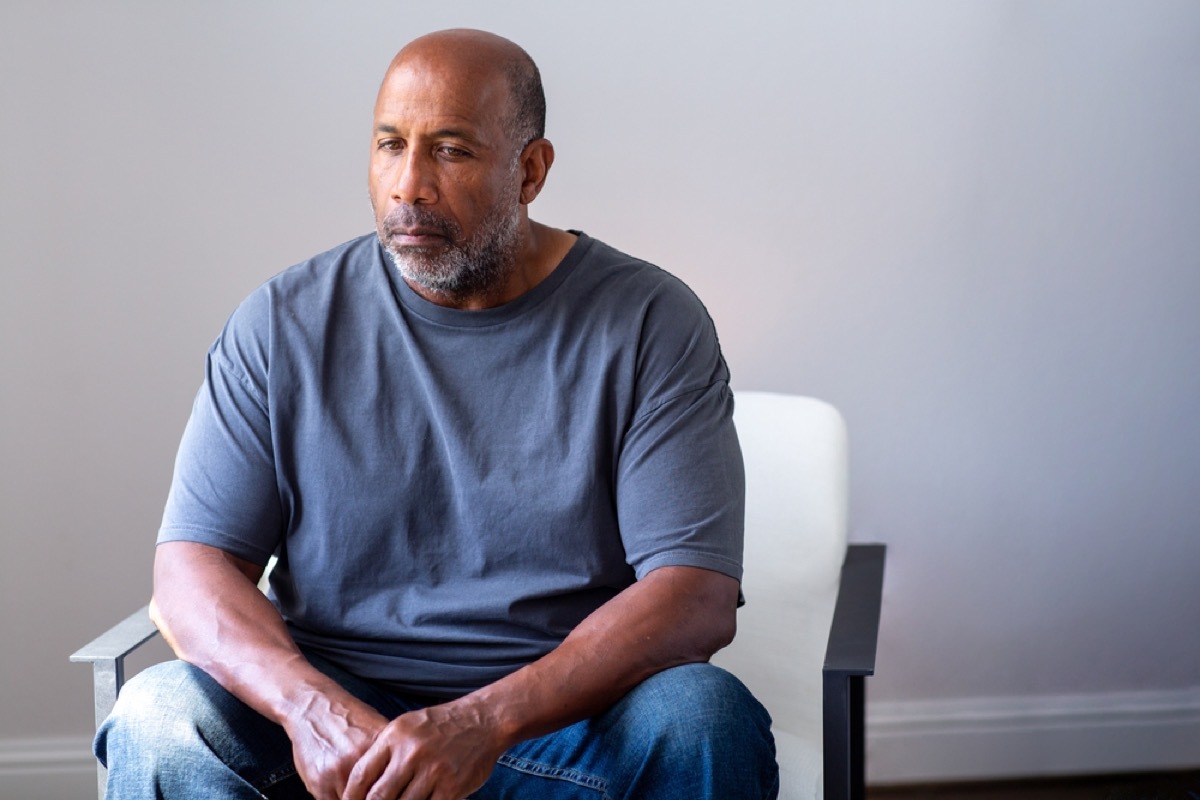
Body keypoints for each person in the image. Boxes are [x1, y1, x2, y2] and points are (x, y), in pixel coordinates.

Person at [96, 28, 779, 800]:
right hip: (333, 736)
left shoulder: (649, 321)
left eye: (450, 151)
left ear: (530, 170)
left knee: (703, 716)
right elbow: (191, 569)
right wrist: (308, 709)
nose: (408, 186)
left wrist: (482, 722)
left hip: (553, 736)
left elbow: (694, 595)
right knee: (158, 715)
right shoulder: (282, 324)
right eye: (390, 145)